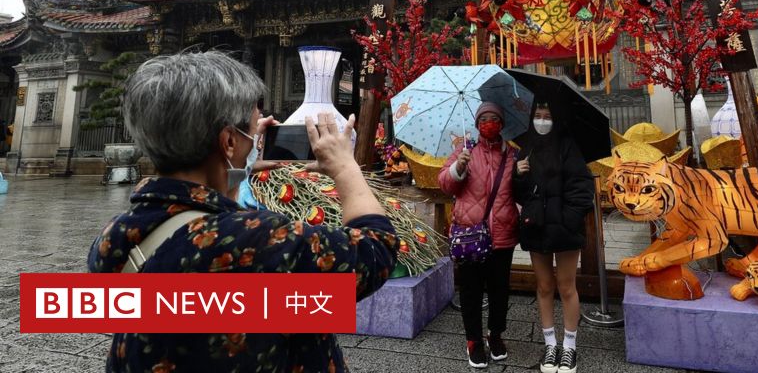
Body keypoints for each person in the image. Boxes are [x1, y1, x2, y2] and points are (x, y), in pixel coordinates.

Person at [88, 50, 398, 373]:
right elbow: (376, 248)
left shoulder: (118, 236)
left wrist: (239, 164)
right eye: (251, 133)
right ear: (228, 143)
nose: (255, 142)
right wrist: (346, 166)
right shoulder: (255, 239)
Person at [513, 101, 594, 373]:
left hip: (565, 227)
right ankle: (550, 344)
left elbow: (582, 187)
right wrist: (518, 176)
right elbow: (518, 194)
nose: (542, 120)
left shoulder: (569, 146)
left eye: (547, 116)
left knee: (567, 285)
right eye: (537, 115)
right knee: (545, 285)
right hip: (536, 226)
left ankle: (569, 346)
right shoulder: (527, 147)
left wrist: (569, 219)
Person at [438, 102, 520, 368]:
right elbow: (445, 183)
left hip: (503, 234)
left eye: (494, 118)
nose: (489, 122)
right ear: (476, 124)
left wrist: (521, 175)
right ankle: (473, 340)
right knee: (471, 291)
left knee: (500, 291)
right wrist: (457, 168)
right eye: (483, 118)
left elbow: (521, 190)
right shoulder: (464, 152)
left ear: (502, 123)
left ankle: (495, 335)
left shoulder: (513, 156)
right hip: (471, 234)